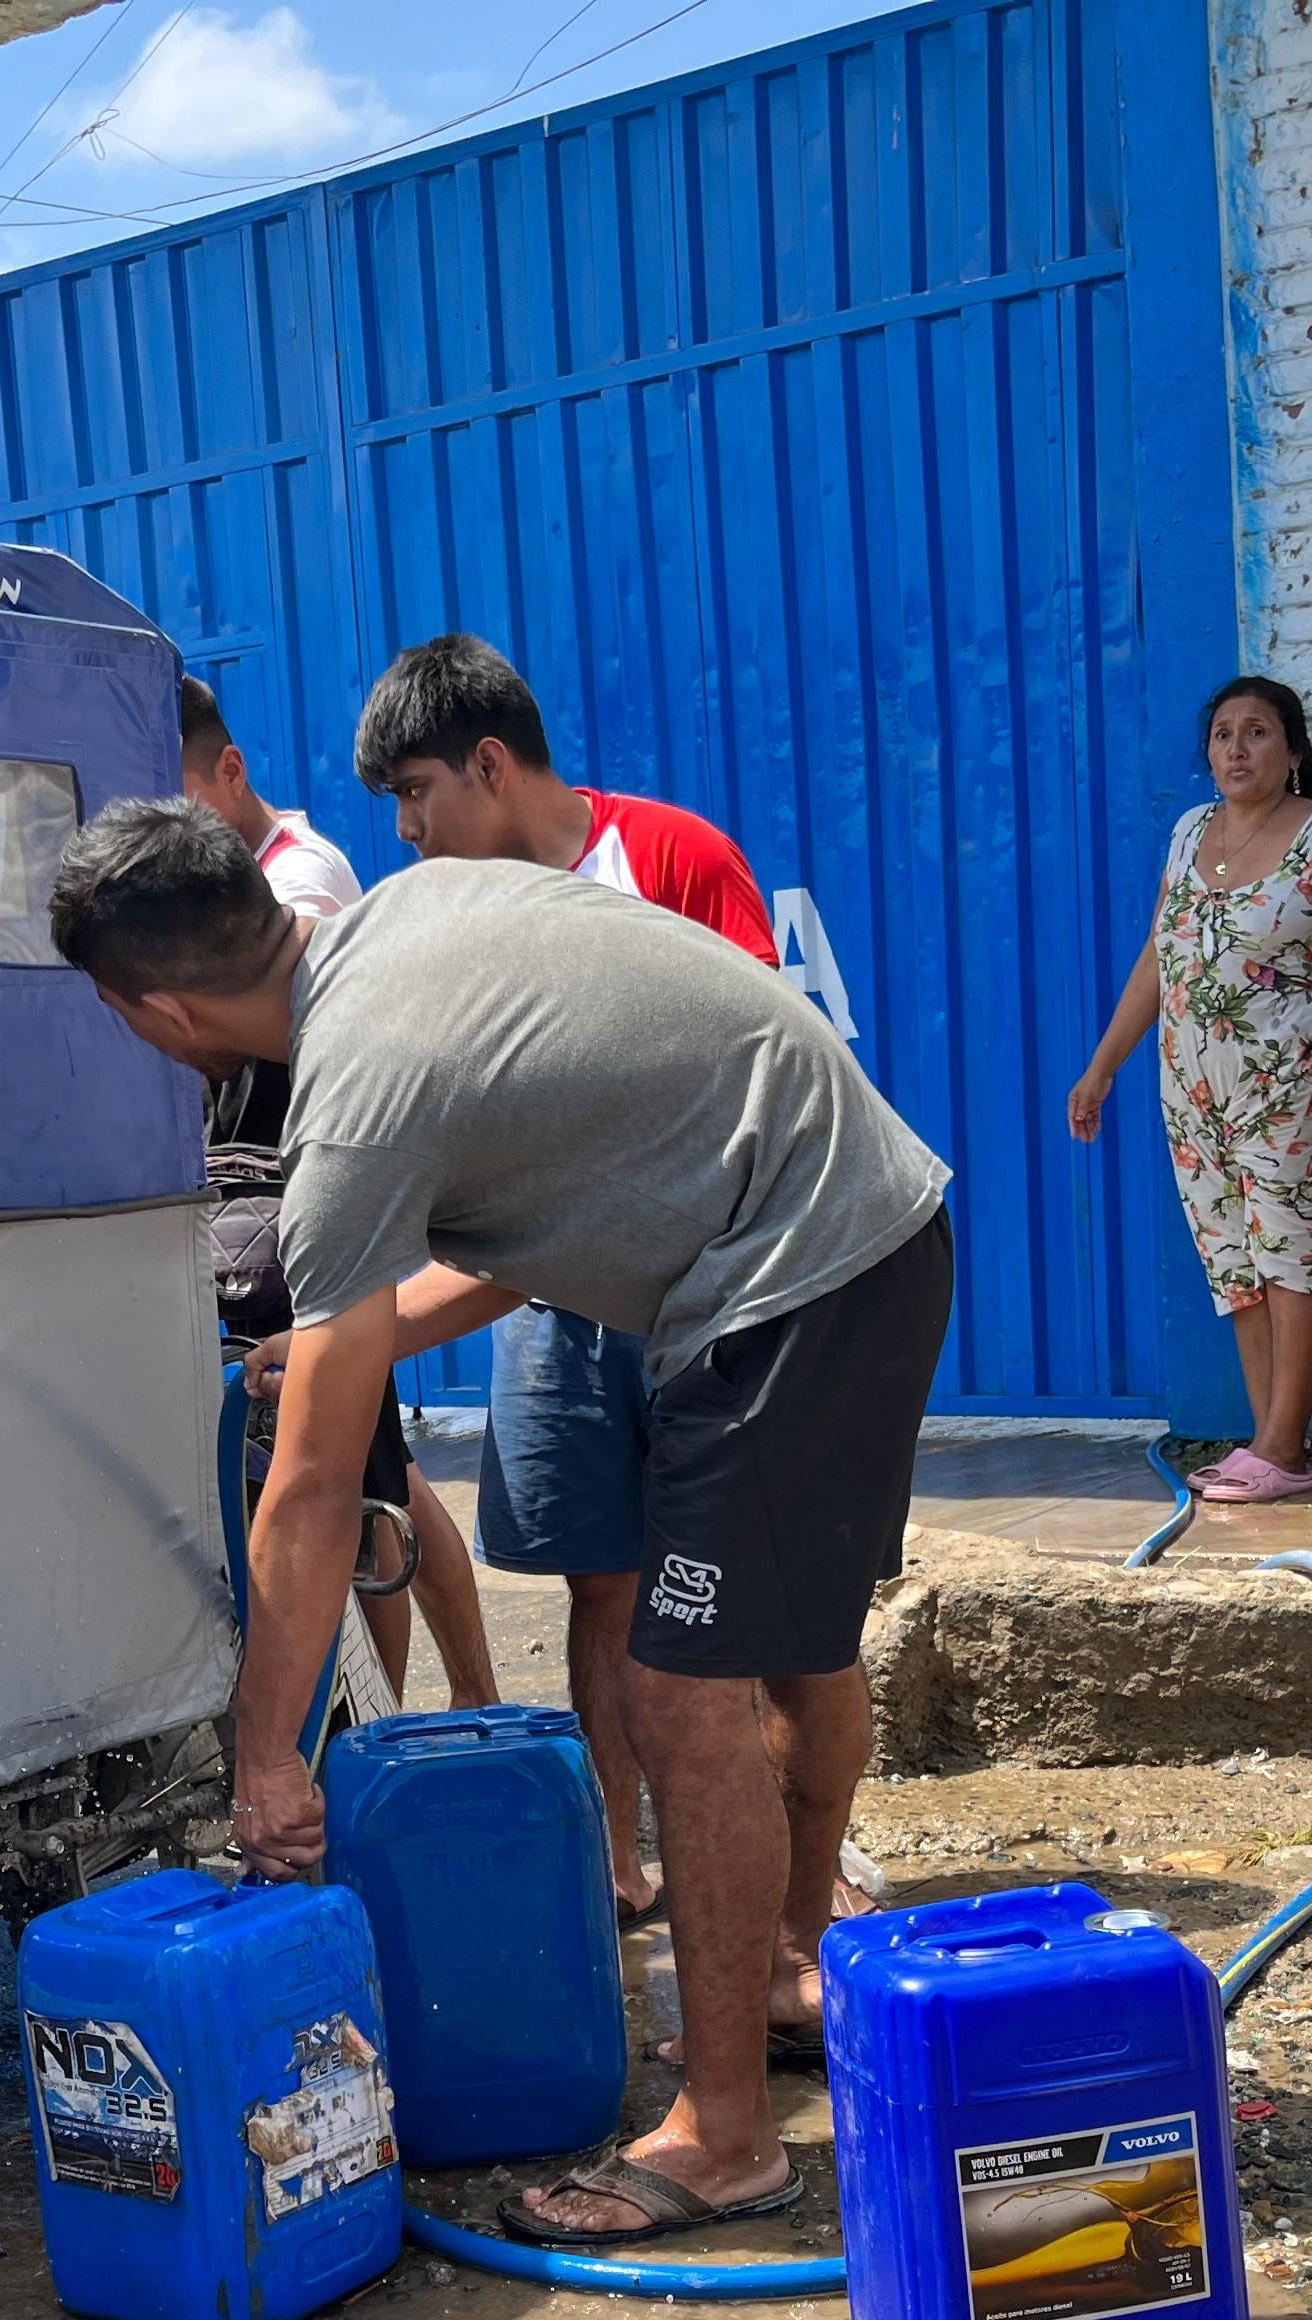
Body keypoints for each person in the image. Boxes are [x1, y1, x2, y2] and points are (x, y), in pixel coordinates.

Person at [47, 799, 952, 2251]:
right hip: (846, 1236)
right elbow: (547, 1220)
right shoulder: (408, 918)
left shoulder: (350, 1092)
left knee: (679, 1694)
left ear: (155, 1008)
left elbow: (317, 1488)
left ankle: (729, 2141)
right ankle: (776, 1985)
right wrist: (357, 1337)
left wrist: (267, 1755)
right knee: (757, 1661)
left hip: (797, 1278)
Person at [350, 631, 779, 1925]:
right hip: (547, 1306)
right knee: (601, 1585)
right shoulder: (445, 922)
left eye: (419, 794)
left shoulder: (671, 858)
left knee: (729, 1603)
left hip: (702, 1302)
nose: (410, 832)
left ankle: (760, 1884)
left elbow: (757, 1068)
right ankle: (615, 1853)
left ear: (490, 765)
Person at [178, 675, 496, 1709]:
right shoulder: (235, 879)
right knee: (384, 1488)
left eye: (183, 795)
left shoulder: (297, 878)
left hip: (322, 1223)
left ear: (231, 770)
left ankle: (378, 1725)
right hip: (279, 1236)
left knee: (359, 1498)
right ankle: (438, 1709)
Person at [1065, 677, 1312, 1499]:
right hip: (1192, 1090)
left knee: (1288, 1254)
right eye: (1224, 734)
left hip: (1290, 1082)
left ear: (1293, 750)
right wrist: (1101, 1067)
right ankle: (1271, 1446)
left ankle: (1282, 1447)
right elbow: (1156, 959)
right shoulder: (1189, 832)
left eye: (1259, 732)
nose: (1237, 748)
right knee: (1234, 1263)